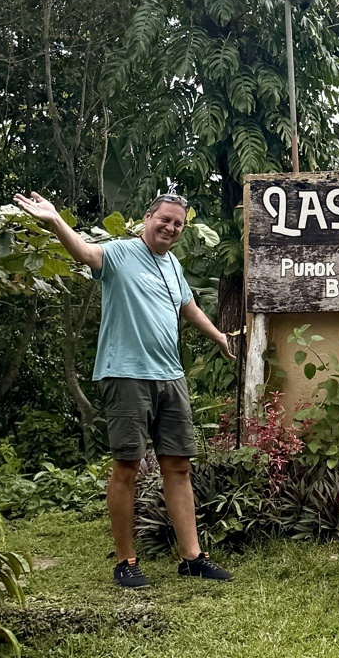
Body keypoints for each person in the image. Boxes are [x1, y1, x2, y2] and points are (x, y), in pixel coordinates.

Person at [13, 191, 235, 588]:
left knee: (178, 466)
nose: (170, 227)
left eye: (178, 223)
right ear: (148, 217)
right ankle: (125, 561)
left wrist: (218, 336)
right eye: (164, 219)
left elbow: (188, 308)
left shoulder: (173, 265)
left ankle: (192, 557)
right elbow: (84, 252)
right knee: (127, 466)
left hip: (171, 376)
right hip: (126, 374)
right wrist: (55, 220)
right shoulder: (119, 253)